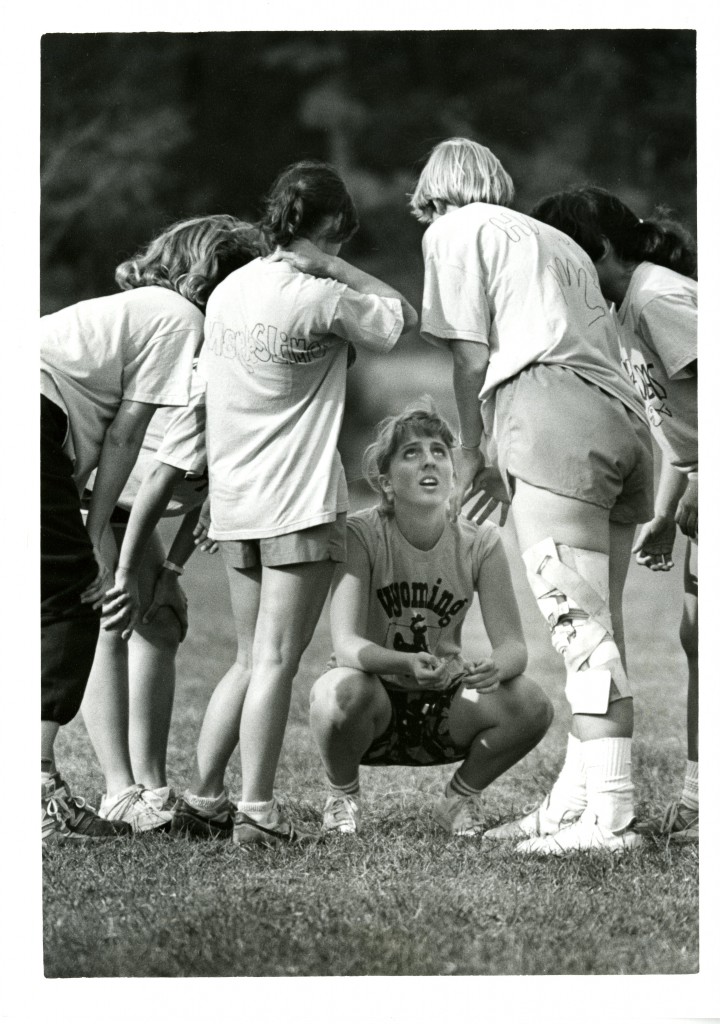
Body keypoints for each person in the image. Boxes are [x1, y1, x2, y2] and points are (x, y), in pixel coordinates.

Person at [409, 138, 655, 855]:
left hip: (551, 412)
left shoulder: (454, 231)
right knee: (597, 630)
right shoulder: (549, 237)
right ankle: (573, 807)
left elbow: (469, 354)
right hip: (622, 421)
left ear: (432, 193)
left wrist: (474, 448)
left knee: (582, 634)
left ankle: (610, 820)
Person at [170, 161, 417, 847]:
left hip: (236, 496)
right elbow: (402, 320)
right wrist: (343, 272)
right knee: (278, 660)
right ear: (334, 226)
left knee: (249, 658)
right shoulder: (320, 295)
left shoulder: (228, 292)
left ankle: (206, 797)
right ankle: (257, 813)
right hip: (297, 498)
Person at [41, 215, 262, 843]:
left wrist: (165, 569)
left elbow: (197, 471)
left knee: (154, 618)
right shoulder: (177, 321)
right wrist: (95, 546)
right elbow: (129, 436)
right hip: (74, 469)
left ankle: (145, 788)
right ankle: (99, 790)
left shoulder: (190, 339)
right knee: (94, 602)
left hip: (84, 473)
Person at [529, 187, 698, 841]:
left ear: (598, 251)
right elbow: (680, 424)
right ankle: (695, 801)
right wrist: (667, 505)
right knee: (697, 642)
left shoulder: (657, 298)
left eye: (567, 260)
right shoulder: (628, 307)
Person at [308, 405, 553, 837]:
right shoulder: (362, 534)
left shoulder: (482, 542)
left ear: (454, 472)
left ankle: (459, 800)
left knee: (531, 704)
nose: (429, 460)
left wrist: (497, 666)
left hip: (442, 703)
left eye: (440, 451)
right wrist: (403, 664)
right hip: (374, 702)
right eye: (411, 453)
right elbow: (345, 644)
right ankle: (342, 797)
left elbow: (514, 646)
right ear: (385, 482)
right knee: (335, 691)